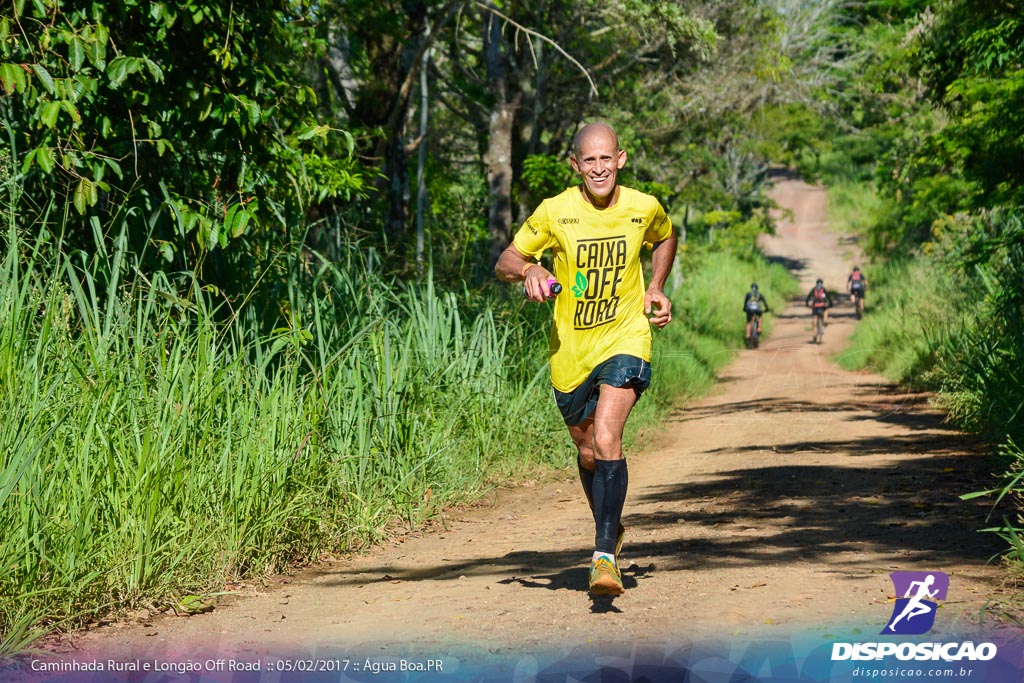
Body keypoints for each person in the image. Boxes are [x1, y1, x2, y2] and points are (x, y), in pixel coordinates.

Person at [494, 122, 677, 597]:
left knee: (607, 433)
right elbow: (505, 261)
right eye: (588, 160)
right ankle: (610, 528)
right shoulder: (555, 212)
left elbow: (666, 236)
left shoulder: (643, 207)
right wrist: (531, 267)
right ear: (576, 164)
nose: (598, 168)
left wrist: (655, 286)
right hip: (571, 349)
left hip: (627, 336)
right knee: (588, 450)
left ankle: (603, 558)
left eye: (606, 158)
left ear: (621, 159)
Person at [805, 278, 833, 343]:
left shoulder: (814, 289)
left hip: (815, 306)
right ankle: (825, 320)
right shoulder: (824, 289)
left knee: (815, 320)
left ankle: (814, 334)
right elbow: (829, 297)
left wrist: (807, 304)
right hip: (823, 305)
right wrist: (831, 304)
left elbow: (808, 297)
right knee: (826, 310)